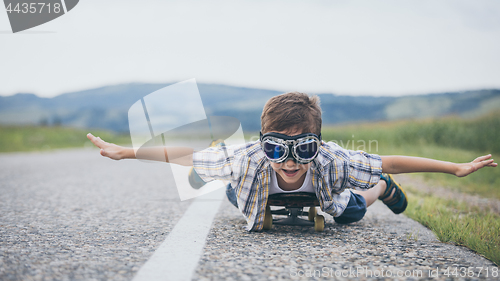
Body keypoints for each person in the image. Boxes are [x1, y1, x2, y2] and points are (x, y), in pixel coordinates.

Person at [87, 92, 497, 231]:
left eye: (303, 149)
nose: (289, 160)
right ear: (264, 141)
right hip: (252, 184)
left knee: (350, 214)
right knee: (233, 185)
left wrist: (455, 168)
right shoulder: (249, 158)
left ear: (316, 143)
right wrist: (127, 152)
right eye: (276, 148)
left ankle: (379, 191)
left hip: (329, 193)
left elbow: (391, 160)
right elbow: (182, 154)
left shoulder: (332, 160)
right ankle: (232, 177)